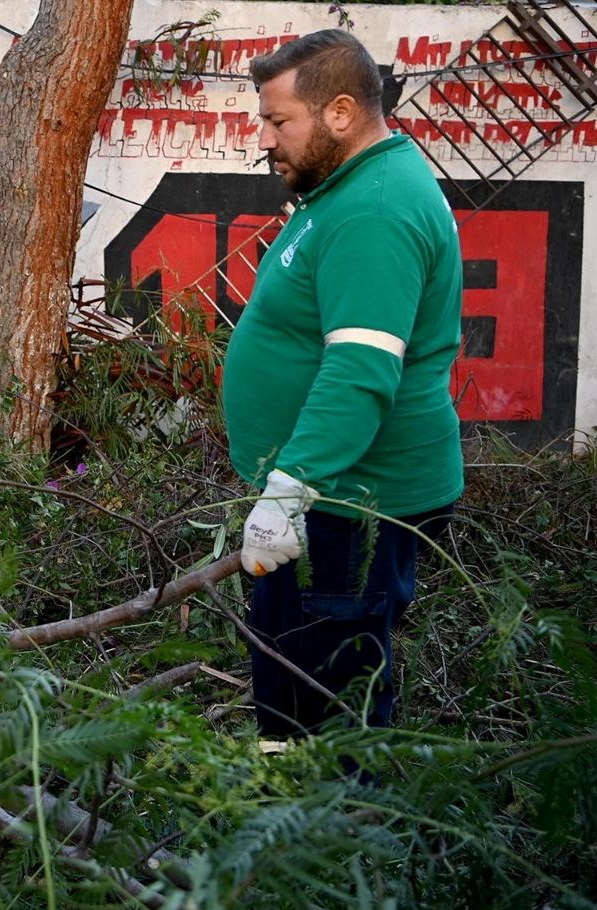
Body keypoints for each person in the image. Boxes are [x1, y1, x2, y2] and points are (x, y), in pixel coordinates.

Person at [223, 30, 464, 740]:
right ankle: (289, 817)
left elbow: (361, 372)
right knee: (292, 671)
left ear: (339, 113)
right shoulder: (350, 186)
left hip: (346, 506)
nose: (265, 139)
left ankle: (331, 835)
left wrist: (290, 490)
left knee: (327, 703)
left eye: (277, 121)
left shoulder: (373, 211)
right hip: (327, 498)